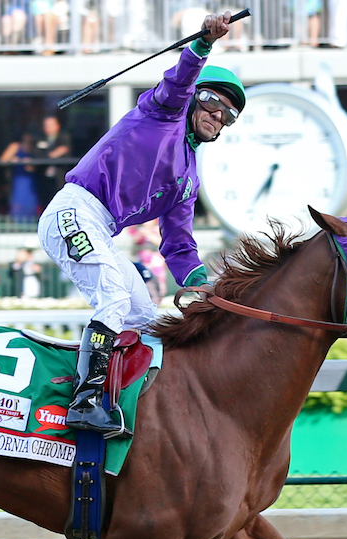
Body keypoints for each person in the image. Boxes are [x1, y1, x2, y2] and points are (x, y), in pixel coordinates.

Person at [37, 12, 242, 435]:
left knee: (145, 318)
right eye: (213, 103)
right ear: (194, 98)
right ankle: (84, 401)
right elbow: (179, 81)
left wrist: (205, 286)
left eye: (229, 115)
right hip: (72, 210)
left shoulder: (189, 180)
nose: (218, 115)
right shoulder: (162, 112)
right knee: (112, 294)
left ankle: (134, 405)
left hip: (102, 228)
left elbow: (179, 246)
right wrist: (203, 44)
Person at [32, 116, 71, 206]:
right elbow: (37, 155)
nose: (47, 128)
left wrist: (48, 155)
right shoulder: (39, 139)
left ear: (57, 126)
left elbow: (65, 151)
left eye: (50, 125)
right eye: (46, 126)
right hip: (44, 179)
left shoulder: (64, 137)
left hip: (60, 177)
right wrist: (53, 154)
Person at [0, 131, 38, 222]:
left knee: (31, 205)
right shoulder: (15, 146)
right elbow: (3, 160)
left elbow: (36, 166)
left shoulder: (34, 148)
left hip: (31, 181)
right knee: (18, 204)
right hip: (19, 180)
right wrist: (14, 160)